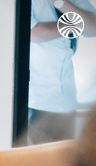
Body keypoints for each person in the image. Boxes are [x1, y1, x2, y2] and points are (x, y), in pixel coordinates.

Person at [28, 0, 96, 144]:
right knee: (36, 162)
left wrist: (60, 3)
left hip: (67, 101)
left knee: (64, 162)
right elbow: (34, 33)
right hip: (36, 101)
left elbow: (93, 27)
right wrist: (73, 24)